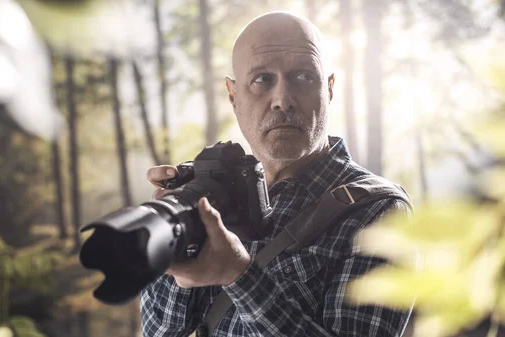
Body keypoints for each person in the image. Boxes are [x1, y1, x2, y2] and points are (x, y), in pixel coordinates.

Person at [140, 11, 413, 337]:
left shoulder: (379, 213)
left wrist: (238, 275)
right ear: (233, 95)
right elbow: (160, 331)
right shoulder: (214, 196)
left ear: (329, 89)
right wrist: (178, 237)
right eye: (261, 79)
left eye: (303, 77)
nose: (283, 100)